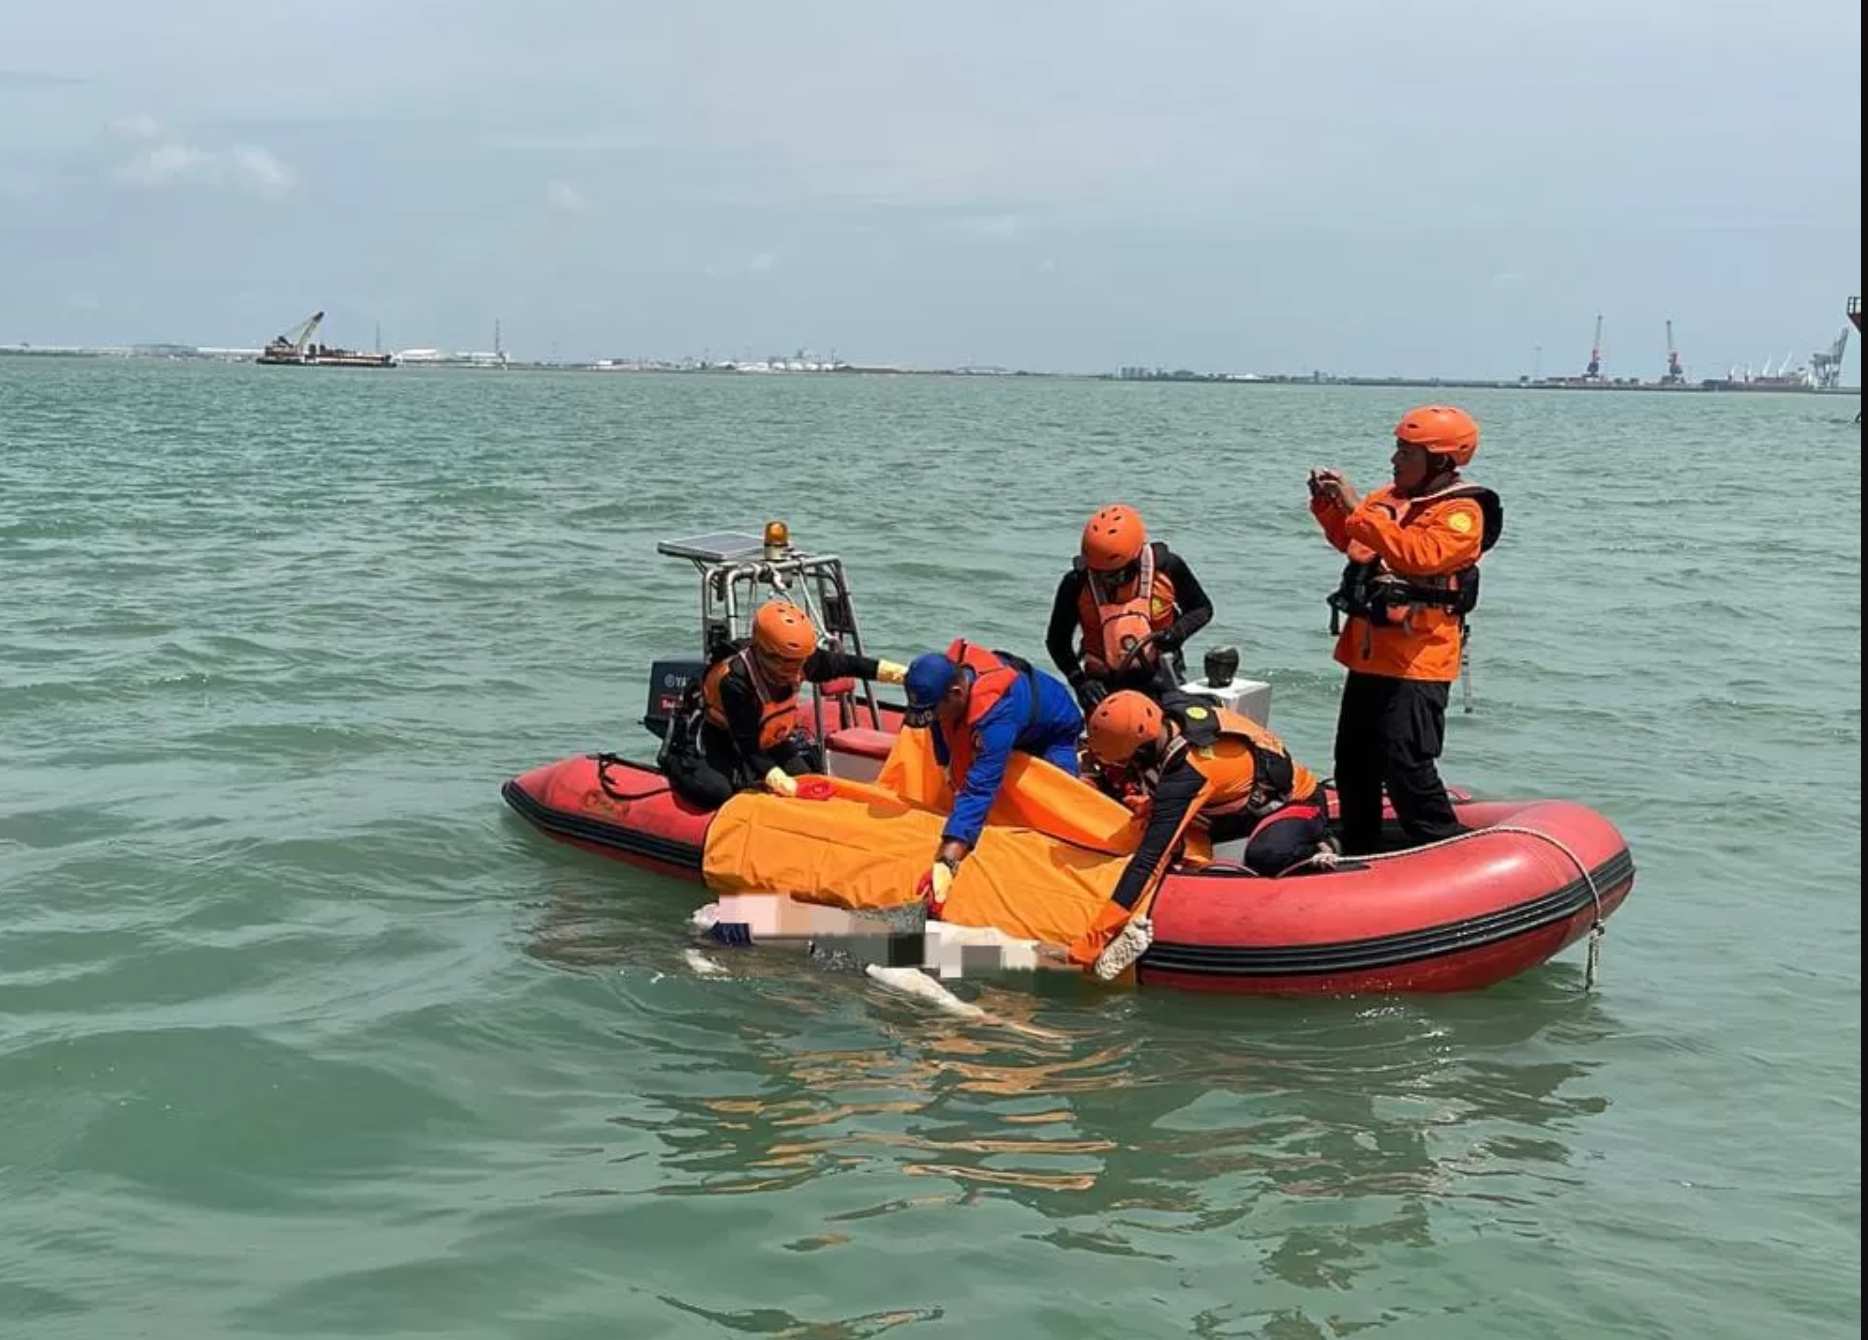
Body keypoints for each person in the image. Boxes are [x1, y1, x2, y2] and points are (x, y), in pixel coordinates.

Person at [1308, 404, 1503, 855]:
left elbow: (1421, 556)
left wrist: (1358, 507)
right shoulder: (1388, 499)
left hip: (1419, 659)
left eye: (1406, 452)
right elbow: (1356, 543)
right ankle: (1359, 842)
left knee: (1405, 761)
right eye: (1397, 449)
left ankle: (1443, 846)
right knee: (1353, 760)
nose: (1395, 460)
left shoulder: (1461, 512)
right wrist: (1330, 508)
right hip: (1370, 652)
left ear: (1440, 461)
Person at [1061, 690, 1332, 976]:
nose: (1129, 769)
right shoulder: (1171, 718)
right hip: (1235, 803)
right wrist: (1153, 805)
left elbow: (1148, 861)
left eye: (1127, 762)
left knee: (1266, 855)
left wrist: (1095, 939)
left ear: (1141, 751)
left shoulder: (1188, 774)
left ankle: (1319, 847)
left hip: (1296, 804)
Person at [664, 600, 906, 810]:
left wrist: (899, 674)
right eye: (787, 663)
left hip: (771, 738)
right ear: (764, 653)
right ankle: (673, 758)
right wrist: (776, 778)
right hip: (724, 736)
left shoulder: (802, 661)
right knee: (717, 792)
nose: (795, 671)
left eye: (799, 662)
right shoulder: (736, 683)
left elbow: (847, 664)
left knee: (809, 781)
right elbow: (748, 745)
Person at [902, 639, 1085, 909]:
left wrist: (946, 862)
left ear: (955, 693)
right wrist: (944, 766)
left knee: (1057, 810)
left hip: (1053, 730)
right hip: (1013, 720)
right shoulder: (945, 693)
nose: (932, 718)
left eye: (934, 711)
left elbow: (979, 791)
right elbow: (939, 731)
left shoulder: (997, 717)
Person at [1045, 504, 1214, 712]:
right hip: (1103, 684)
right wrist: (1079, 682)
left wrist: (1177, 633)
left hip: (1160, 674)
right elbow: (1057, 641)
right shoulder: (1076, 584)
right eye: (1098, 573)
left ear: (1136, 558)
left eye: (1116, 574)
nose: (1107, 580)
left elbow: (1202, 609)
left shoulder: (1168, 568)